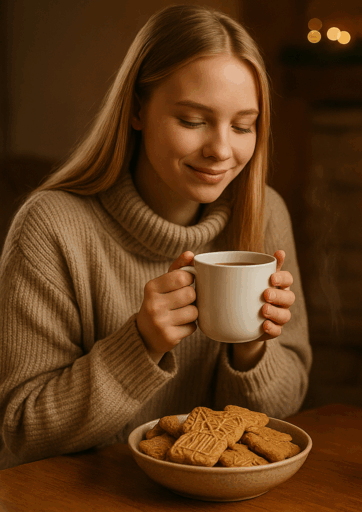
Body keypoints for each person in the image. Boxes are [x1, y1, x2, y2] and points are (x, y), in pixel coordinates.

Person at [0, 5, 311, 469]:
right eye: (192, 120)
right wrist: (142, 343)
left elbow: (283, 415)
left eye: (243, 126)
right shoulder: (52, 227)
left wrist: (252, 346)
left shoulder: (264, 214)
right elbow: (23, 430)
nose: (222, 150)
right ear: (138, 109)